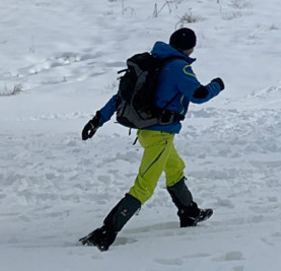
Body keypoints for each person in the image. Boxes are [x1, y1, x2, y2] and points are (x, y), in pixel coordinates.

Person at [79, 28, 225, 251]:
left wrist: (98, 119)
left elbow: (120, 97)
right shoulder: (179, 66)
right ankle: (107, 231)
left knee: (175, 168)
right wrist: (218, 85)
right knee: (145, 186)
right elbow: (199, 95)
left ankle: (189, 212)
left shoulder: (153, 61)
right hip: (160, 135)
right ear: (190, 47)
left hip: (147, 131)